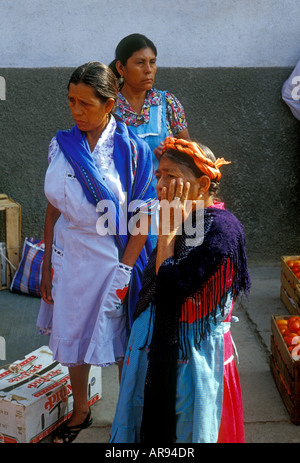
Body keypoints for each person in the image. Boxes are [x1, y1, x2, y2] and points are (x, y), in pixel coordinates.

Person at [37, 61, 157, 443]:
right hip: (70, 258)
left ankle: (127, 420)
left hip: (113, 262)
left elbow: (144, 216)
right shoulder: (62, 145)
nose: (75, 111)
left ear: (109, 104)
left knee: (121, 340)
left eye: (85, 103)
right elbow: (54, 206)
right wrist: (45, 260)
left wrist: (124, 270)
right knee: (73, 336)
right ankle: (81, 409)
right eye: (71, 101)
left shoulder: (133, 152)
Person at [109, 137, 251, 443]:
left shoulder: (222, 231)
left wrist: (168, 232)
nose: (161, 185)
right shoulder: (182, 220)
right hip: (156, 349)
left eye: (171, 177)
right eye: (159, 176)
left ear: (201, 184)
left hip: (193, 359)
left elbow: (171, 289)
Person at [109, 33, 189, 245]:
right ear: (121, 68)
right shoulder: (109, 107)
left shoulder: (168, 103)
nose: (148, 70)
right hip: (123, 205)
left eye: (152, 62)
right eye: (140, 63)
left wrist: (171, 154)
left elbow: (190, 155)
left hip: (166, 203)